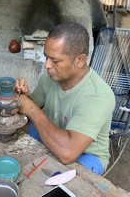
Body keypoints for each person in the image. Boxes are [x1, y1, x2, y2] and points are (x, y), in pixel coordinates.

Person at [15, 21, 115, 175]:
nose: (46, 65)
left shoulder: (98, 96)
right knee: (16, 128)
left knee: (55, 181)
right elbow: (25, 112)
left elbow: (68, 153)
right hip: (55, 136)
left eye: (55, 60)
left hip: (85, 155)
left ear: (80, 60)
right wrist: (24, 97)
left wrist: (30, 107)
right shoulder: (50, 77)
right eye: (46, 57)